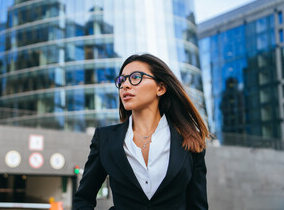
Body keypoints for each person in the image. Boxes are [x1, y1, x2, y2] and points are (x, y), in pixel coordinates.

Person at [73, 53, 210, 210]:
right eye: (122, 80)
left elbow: (198, 205)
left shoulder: (190, 139)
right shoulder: (105, 139)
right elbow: (83, 198)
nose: (125, 85)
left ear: (161, 88)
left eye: (136, 77)